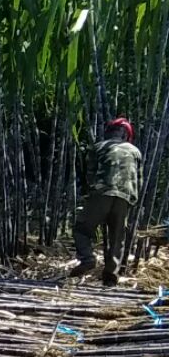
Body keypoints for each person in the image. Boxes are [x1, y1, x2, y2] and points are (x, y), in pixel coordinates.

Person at [74, 116, 144, 285]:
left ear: (108, 132)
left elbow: (89, 174)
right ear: (126, 135)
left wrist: (90, 194)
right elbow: (139, 179)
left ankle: (87, 259)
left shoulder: (98, 147)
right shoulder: (135, 151)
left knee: (82, 229)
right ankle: (111, 277)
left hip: (102, 193)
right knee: (117, 237)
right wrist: (132, 200)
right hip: (125, 196)